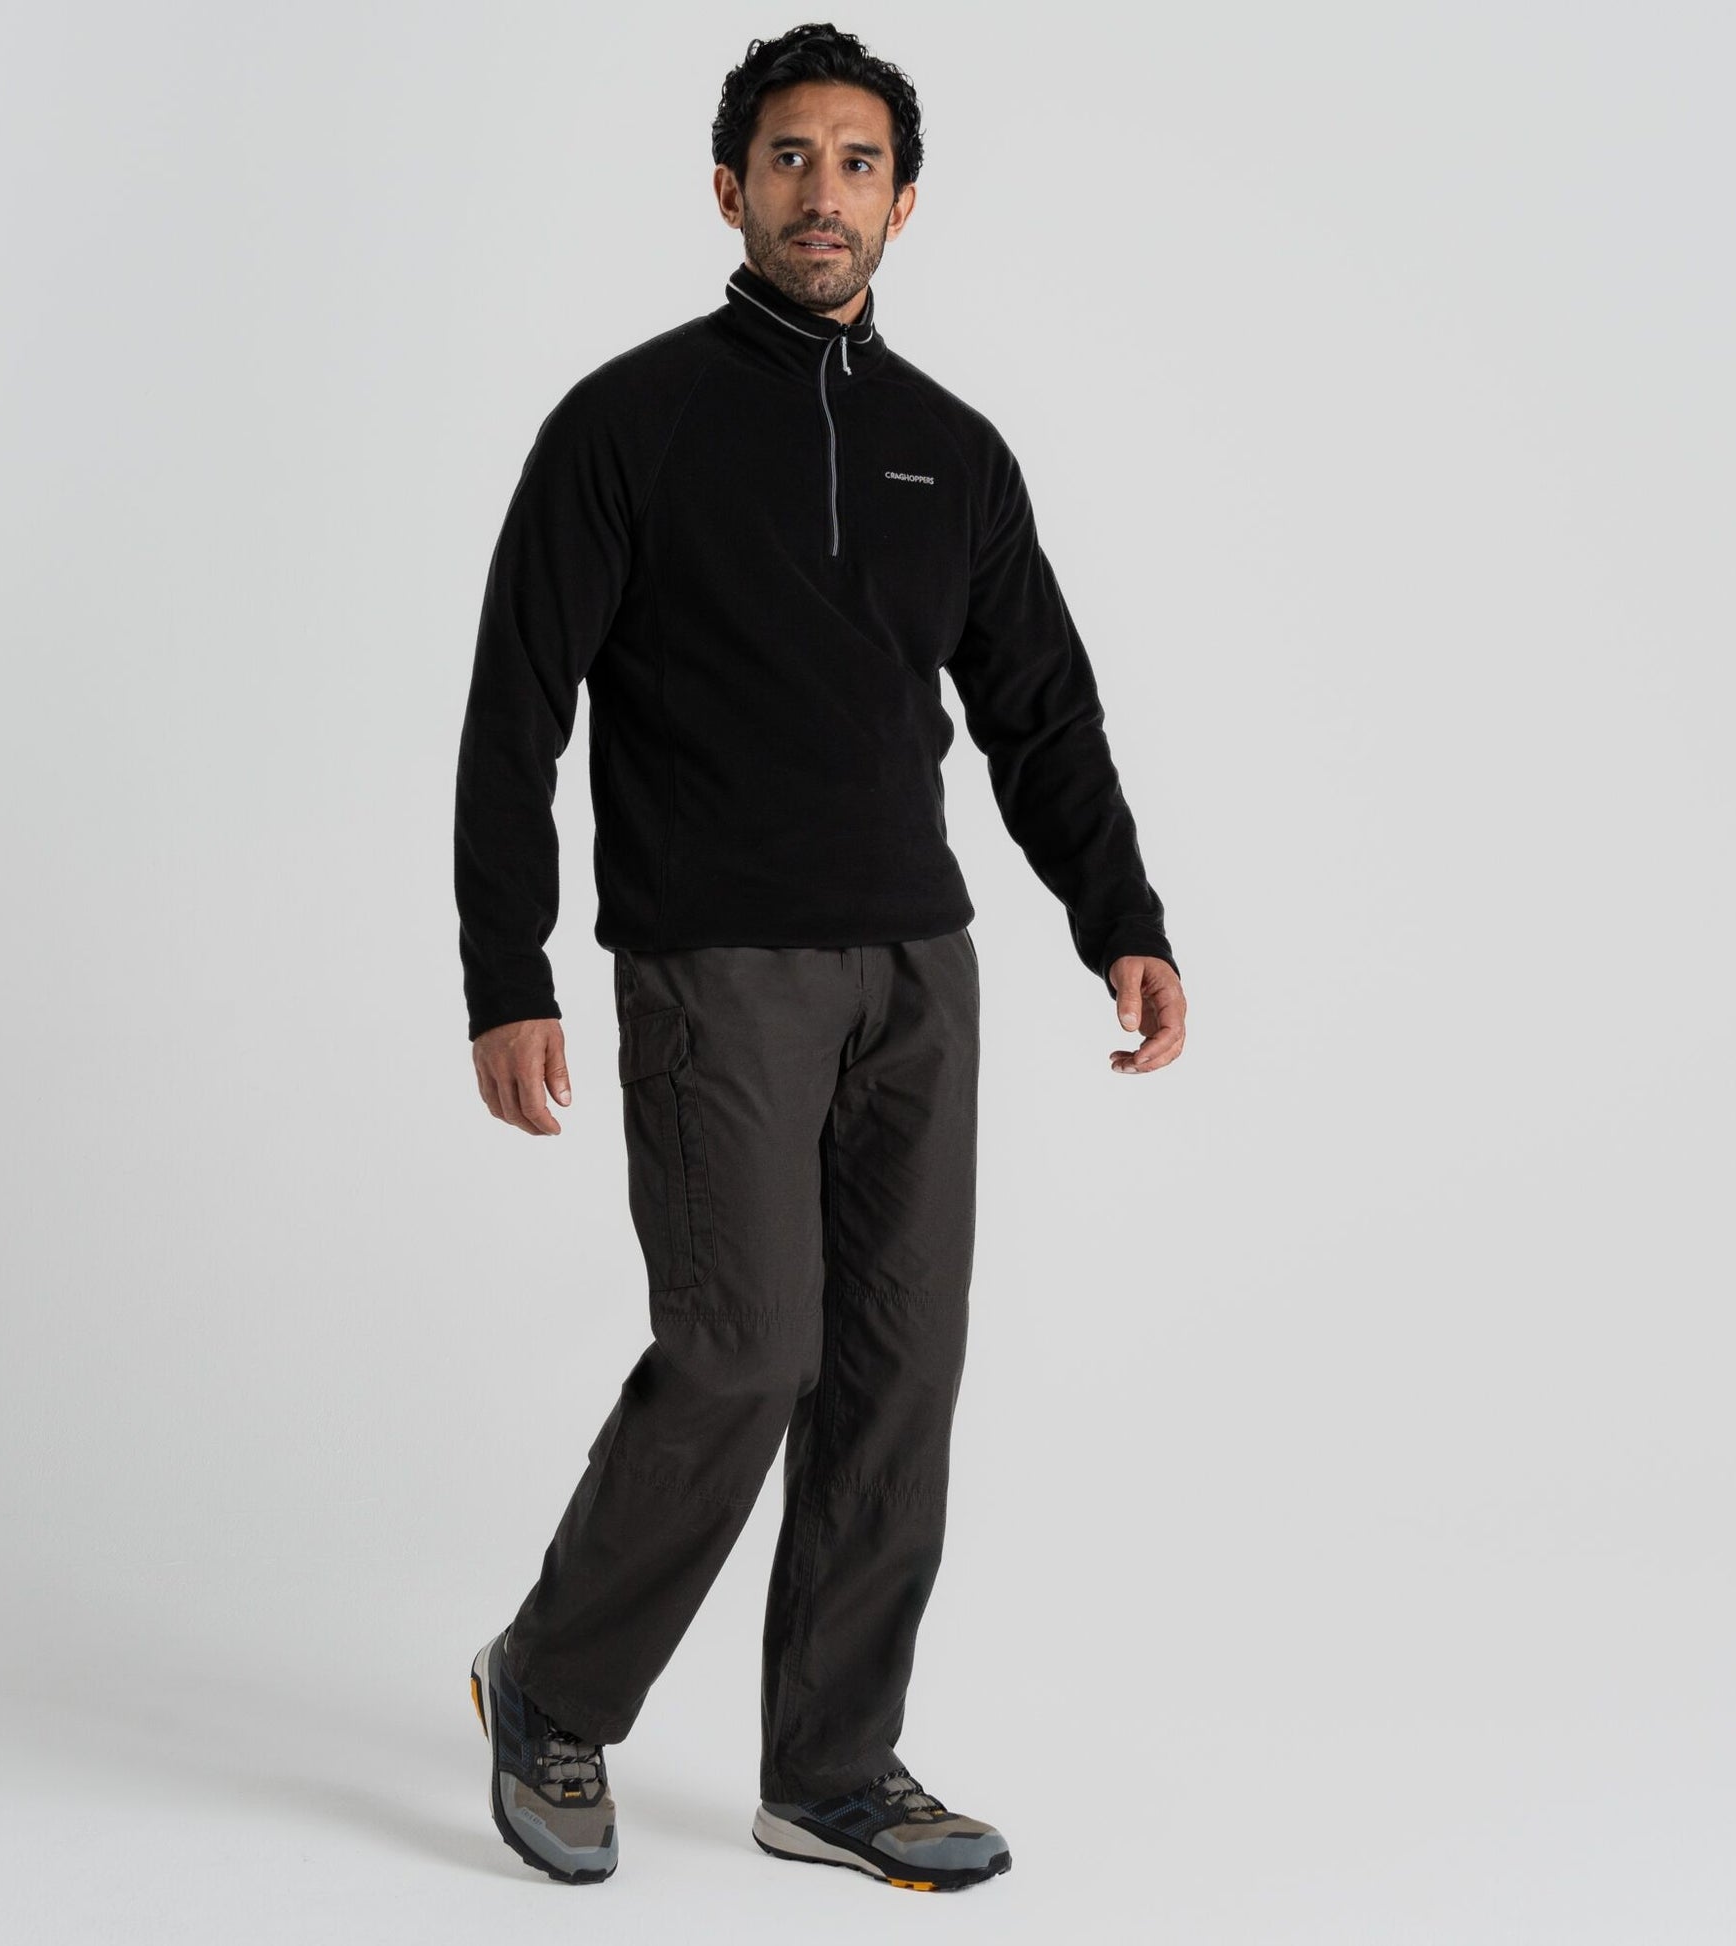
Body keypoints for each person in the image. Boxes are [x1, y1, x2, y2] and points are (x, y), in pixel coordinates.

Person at [454, 21, 1187, 1893]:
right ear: (728, 188)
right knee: (744, 1346)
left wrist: (1119, 916)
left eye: (858, 163)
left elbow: (1041, 709)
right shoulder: (627, 424)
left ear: (903, 202)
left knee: (892, 1367)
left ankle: (833, 1770)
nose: (822, 193)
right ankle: (550, 1685)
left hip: (915, 967)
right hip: (716, 963)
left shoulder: (955, 450)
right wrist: (504, 970)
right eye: (789, 158)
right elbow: (515, 705)